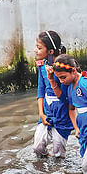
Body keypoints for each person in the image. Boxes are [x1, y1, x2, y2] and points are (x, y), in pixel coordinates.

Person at [33, 30, 71, 158]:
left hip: (62, 115)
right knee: (38, 147)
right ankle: (45, 173)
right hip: (46, 113)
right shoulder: (41, 66)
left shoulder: (63, 68)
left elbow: (65, 97)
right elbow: (41, 90)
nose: (35, 51)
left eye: (39, 48)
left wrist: (52, 78)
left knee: (58, 153)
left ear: (50, 51)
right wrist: (41, 114)